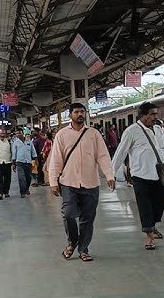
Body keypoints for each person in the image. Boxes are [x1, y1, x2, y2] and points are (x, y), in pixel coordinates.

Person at [49, 103, 115, 262]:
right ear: (70, 115)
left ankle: (83, 249)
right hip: (69, 182)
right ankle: (72, 242)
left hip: (91, 182)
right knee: (69, 213)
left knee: (88, 218)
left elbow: (103, 156)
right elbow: (56, 159)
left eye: (82, 112)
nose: (80, 114)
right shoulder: (62, 135)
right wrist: (53, 181)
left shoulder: (94, 134)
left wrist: (109, 175)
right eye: (76, 112)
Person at [111, 102, 164, 250]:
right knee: (145, 205)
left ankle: (152, 226)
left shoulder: (159, 130)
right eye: (152, 114)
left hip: (158, 175)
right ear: (143, 115)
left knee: (159, 205)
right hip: (140, 175)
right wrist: (111, 174)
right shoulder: (131, 131)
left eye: (156, 114)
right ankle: (149, 236)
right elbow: (121, 153)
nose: (155, 117)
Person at [11, 128, 37, 198]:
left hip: (28, 162)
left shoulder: (29, 142)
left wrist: (35, 159)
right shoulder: (15, 143)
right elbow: (14, 153)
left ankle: (26, 189)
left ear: (23, 133)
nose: (18, 135)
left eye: (19, 133)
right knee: (21, 178)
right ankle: (22, 192)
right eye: (16, 134)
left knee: (28, 178)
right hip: (19, 162)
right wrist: (13, 163)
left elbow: (33, 151)